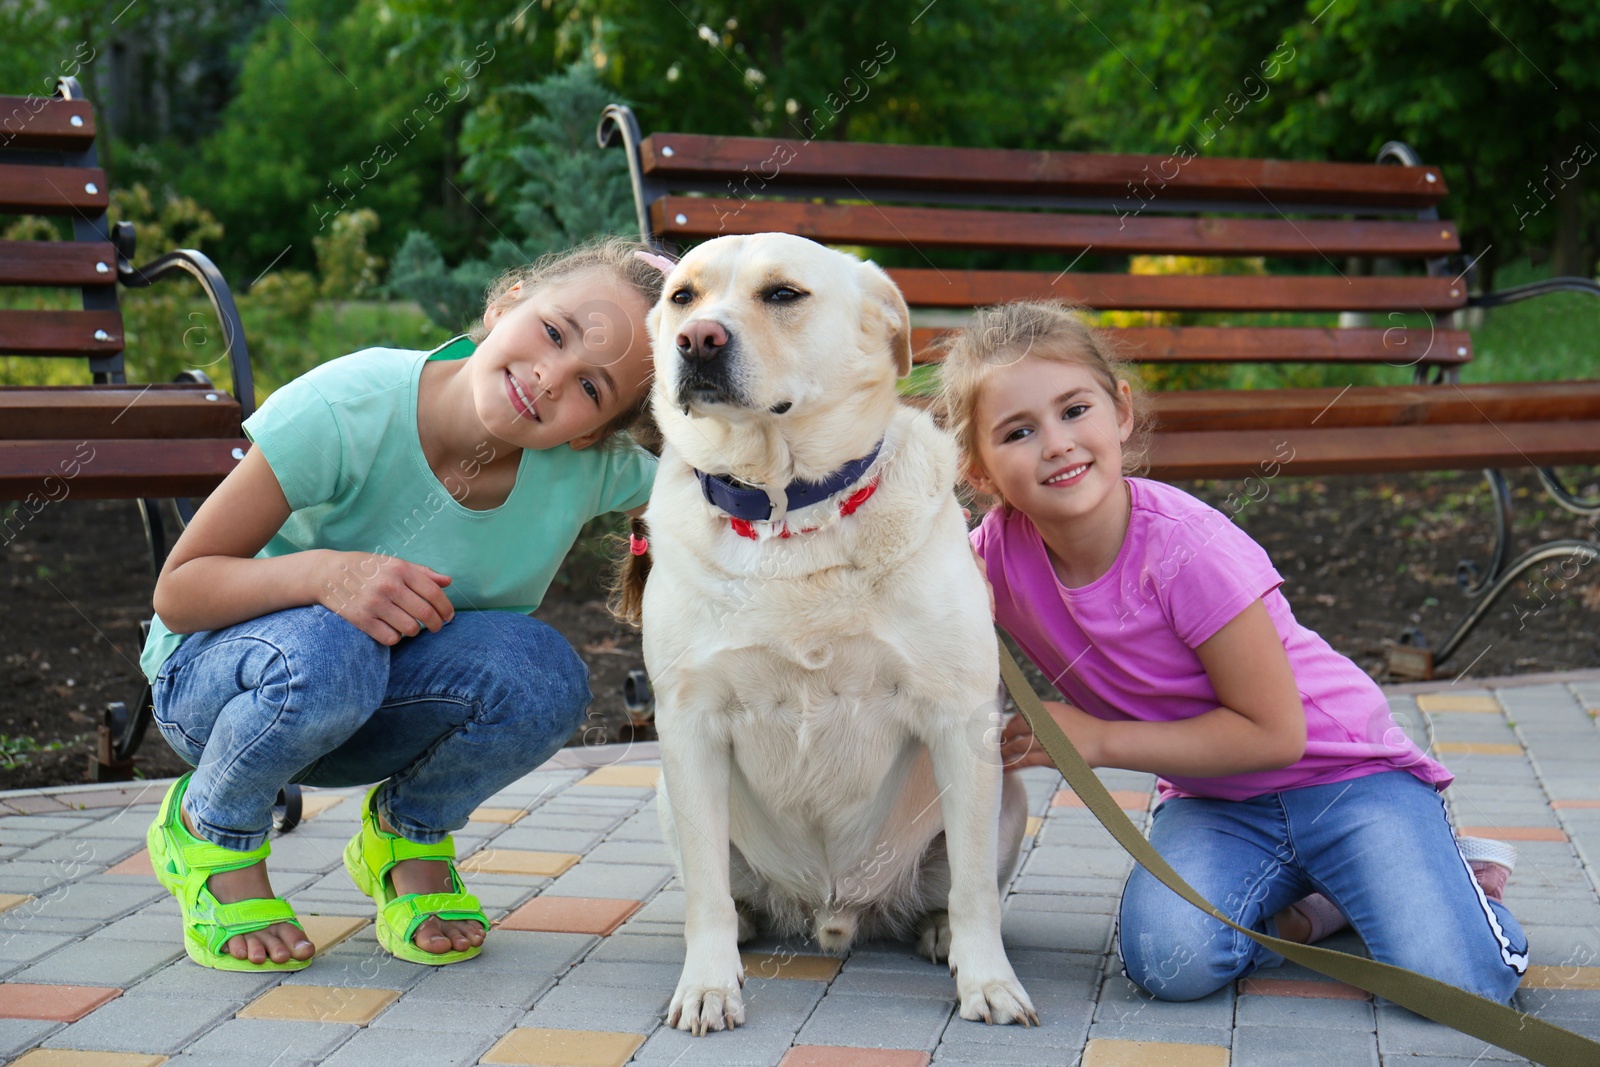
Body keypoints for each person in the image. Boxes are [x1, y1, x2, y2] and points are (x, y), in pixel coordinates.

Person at [937, 300, 1527, 1003]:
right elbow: (907, 592)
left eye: (1074, 410)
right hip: (1218, 800)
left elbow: (1277, 733)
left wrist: (1095, 738)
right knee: (1167, 961)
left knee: (1455, 983)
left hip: (1347, 778)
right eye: (1018, 431)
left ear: (1119, 410)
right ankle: (1325, 904)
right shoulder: (993, 558)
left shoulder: (1190, 551)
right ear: (978, 470)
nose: (1057, 443)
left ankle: (1443, 878)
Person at [140, 236, 665, 972]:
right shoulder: (350, 406)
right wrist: (326, 573)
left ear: (597, 433)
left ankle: (407, 834)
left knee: (545, 672)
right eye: (553, 332)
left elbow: (736, 473)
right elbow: (181, 588)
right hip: (220, 682)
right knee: (336, 648)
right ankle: (211, 829)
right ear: (507, 301)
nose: (550, 378)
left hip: (365, 701)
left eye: (591, 389)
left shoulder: (584, 467)